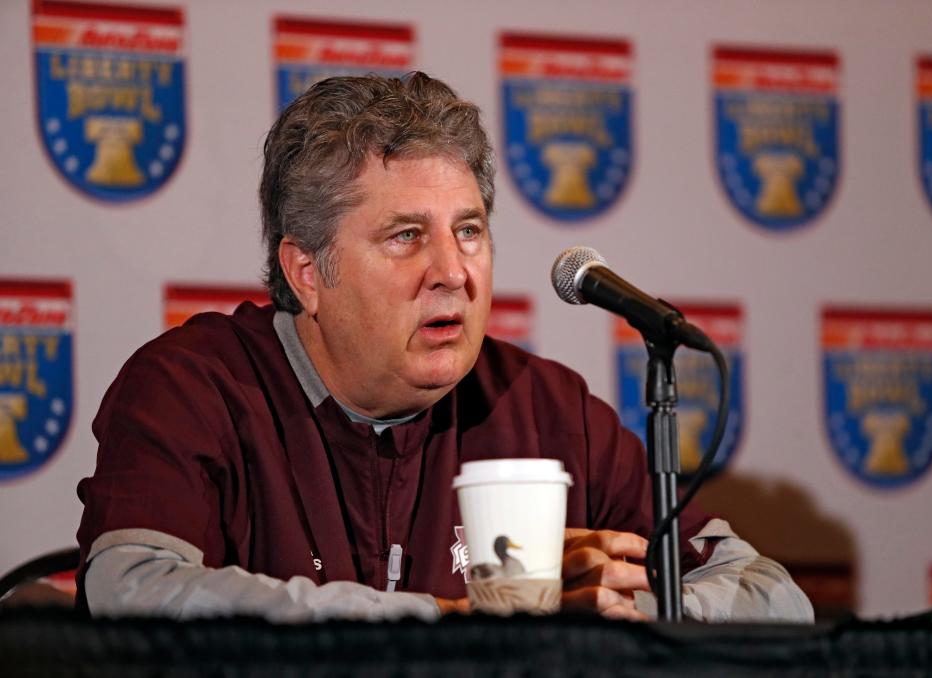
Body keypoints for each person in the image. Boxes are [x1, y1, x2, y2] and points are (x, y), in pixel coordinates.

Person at [76, 72, 813, 624]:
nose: (454, 272)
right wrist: (453, 622)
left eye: (468, 231)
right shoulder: (194, 386)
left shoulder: (545, 410)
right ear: (309, 272)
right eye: (405, 237)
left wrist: (634, 613)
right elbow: (132, 589)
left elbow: (775, 597)